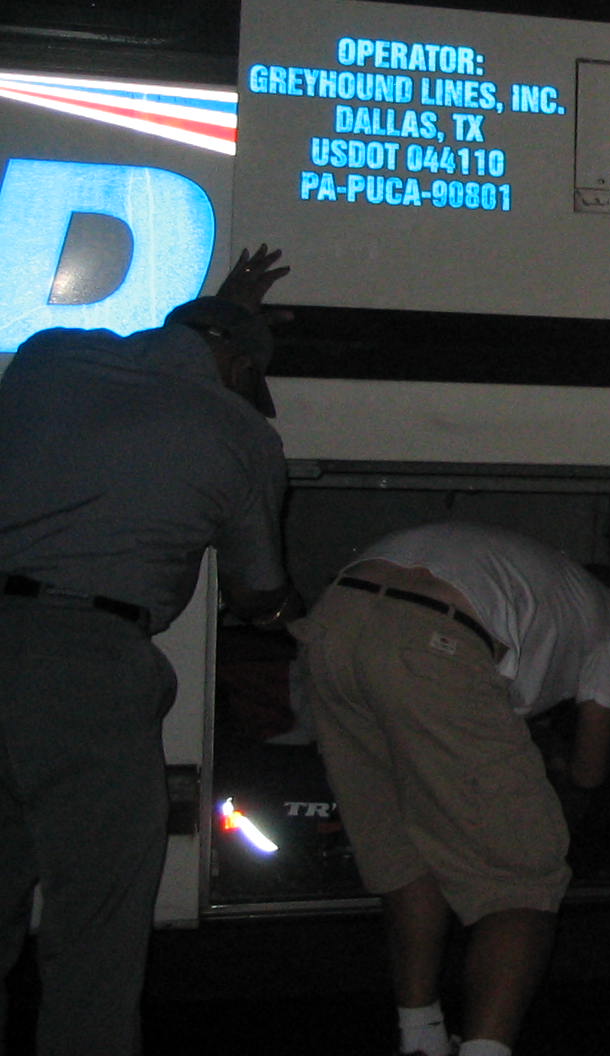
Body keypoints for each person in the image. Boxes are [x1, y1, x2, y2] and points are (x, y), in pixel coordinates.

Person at [0, 246, 296, 1056]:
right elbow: (257, 592)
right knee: (96, 929)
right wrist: (287, 610)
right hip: (86, 669)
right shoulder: (240, 434)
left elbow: (167, 356)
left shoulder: (48, 358)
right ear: (238, 367)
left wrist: (218, 309)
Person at [294, 521, 610, 1056]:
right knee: (521, 878)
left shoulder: (546, 580)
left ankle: (421, 1038)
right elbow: (590, 768)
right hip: (435, 638)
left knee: (407, 850)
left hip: (336, 622)